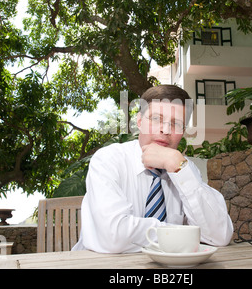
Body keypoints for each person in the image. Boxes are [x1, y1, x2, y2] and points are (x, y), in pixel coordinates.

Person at [72, 85, 233, 253]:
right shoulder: (108, 160)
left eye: (176, 123)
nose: (165, 129)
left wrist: (178, 168)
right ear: (140, 122)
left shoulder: (183, 167)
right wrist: (181, 233)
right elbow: (115, 237)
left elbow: (219, 236)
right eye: (156, 119)